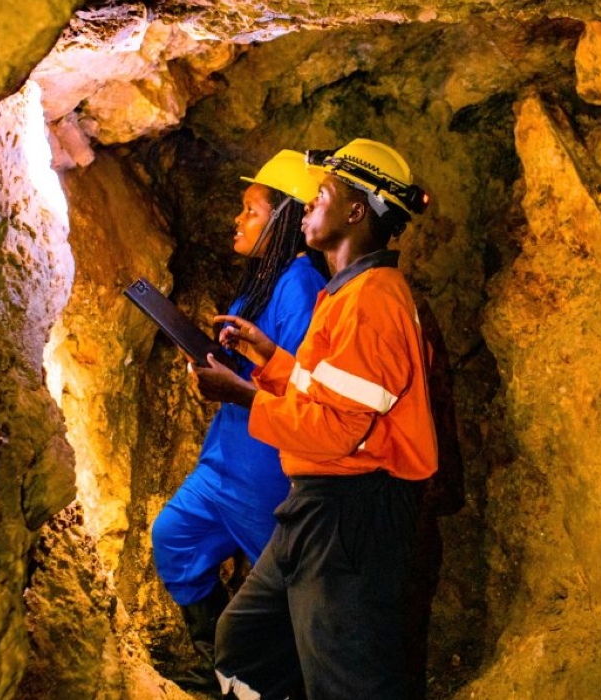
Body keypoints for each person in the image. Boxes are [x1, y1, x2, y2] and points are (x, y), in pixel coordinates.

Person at [194, 138, 438, 700]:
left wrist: (242, 397)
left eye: (321, 194)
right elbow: (324, 395)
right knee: (247, 643)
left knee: (349, 678)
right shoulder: (346, 293)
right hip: (318, 502)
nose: (307, 204)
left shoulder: (374, 302)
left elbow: (339, 432)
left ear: (356, 212)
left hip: (353, 510)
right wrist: (268, 359)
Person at [150, 150, 330, 692]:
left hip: (265, 472)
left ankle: (267, 681)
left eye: (250, 210)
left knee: (283, 598)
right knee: (175, 537)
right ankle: (215, 663)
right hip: (226, 458)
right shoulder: (262, 283)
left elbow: (303, 390)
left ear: (282, 222)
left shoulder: (298, 286)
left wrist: (236, 385)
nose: (237, 219)